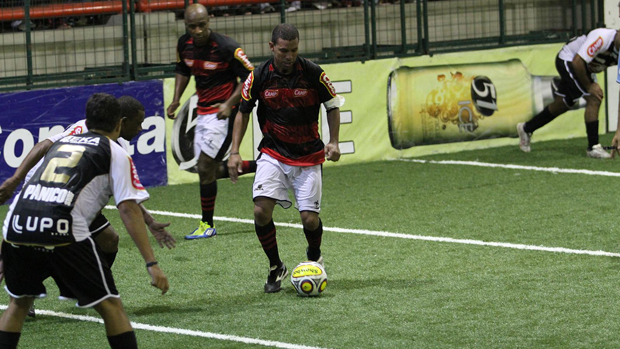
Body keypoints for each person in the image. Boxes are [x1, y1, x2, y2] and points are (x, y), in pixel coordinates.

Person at [0, 93, 169, 349]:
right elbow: (127, 208)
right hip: (61, 217)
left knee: (19, 303)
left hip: (20, 216)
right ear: (119, 124)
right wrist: (151, 262)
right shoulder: (115, 152)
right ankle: (83, 285)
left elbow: (45, 145)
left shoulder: (67, 137)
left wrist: (14, 180)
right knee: (111, 306)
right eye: (139, 122)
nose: (142, 128)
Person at [228, 23, 344, 293]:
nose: (289, 56)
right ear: (272, 48)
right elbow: (243, 112)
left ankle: (314, 256)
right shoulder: (258, 75)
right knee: (260, 211)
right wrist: (235, 151)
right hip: (273, 153)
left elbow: (332, 105)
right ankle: (275, 266)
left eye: (293, 50)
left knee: (309, 220)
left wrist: (334, 141)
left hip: (308, 154)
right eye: (283, 51)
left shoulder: (313, 72)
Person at [166, 3, 256, 240]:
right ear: (186, 25)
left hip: (223, 113)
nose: (197, 31)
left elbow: (250, 76)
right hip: (202, 113)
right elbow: (182, 70)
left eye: (201, 25)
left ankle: (207, 224)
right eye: (192, 26)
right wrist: (176, 99)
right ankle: (266, 165)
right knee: (207, 170)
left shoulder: (227, 46)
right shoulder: (183, 44)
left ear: (210, 21)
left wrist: (229, 103)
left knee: (205, 167)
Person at [517, 26, 620, 159]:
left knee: (563, 104)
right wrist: (589, 87)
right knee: (594, 97)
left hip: (585, 67)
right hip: (569, 59)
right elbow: (577, 62)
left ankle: (526, 128)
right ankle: (593, 147)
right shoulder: (602, 37)